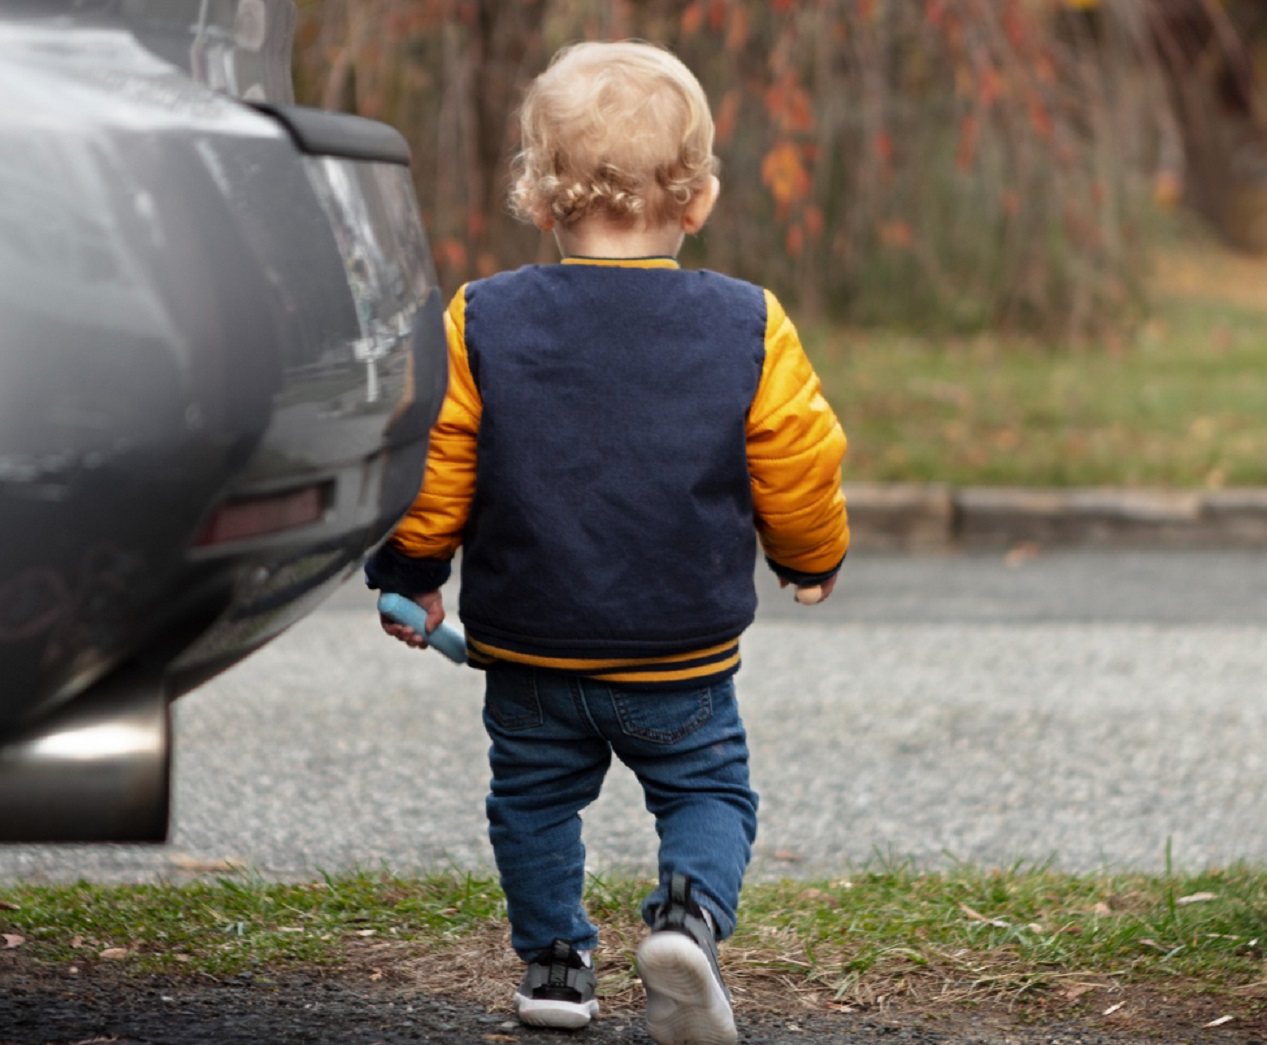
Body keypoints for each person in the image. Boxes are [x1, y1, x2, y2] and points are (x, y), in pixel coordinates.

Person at [365, 39, 849, 1045]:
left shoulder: (482, 318)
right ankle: (686, 921)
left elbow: (437, 459)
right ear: (697, 198)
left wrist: (411, 572)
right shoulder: (746, 323)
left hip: (531, 646)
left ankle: (553, 968)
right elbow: (796, 457)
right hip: (679, 649)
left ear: (540, 196)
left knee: (533, 804)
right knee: (709, 788)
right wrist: (809, 559)